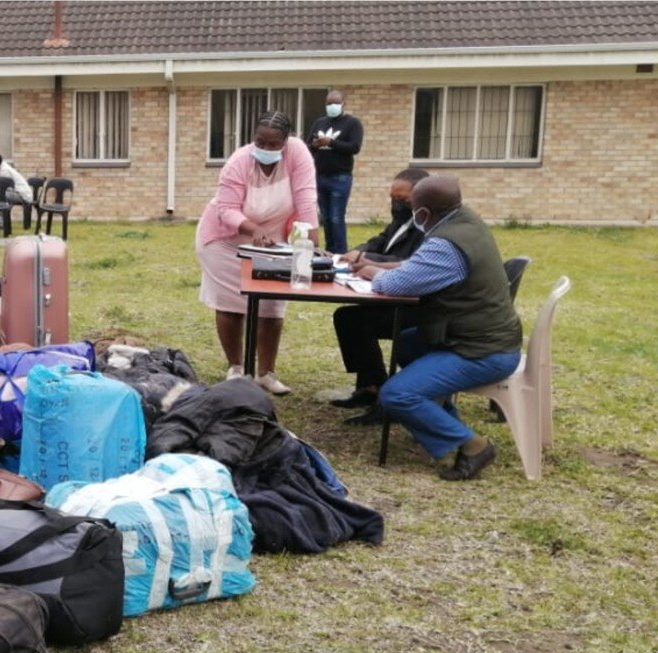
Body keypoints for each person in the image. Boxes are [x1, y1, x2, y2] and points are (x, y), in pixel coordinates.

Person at [356, 176, 522, 481]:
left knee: (395, 395)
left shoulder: (447, 243)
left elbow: (397, 284)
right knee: (406, 344)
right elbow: (419, 267)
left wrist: (373, 273)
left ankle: (473, 445)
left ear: (423, 213)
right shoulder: (466, 221)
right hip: (478, 336)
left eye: (413, 207)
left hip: (482, 350)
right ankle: (439, 417)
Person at [195, 111, 318, 395]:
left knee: (272, 306)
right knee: (230, 305)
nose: (264, 148)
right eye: (259, 142)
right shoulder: (239, 161)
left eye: (272, 144)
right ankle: (236, 368)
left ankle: (266, 373)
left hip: (271, 241)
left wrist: (311, 237)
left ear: (286, 142)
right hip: (225, 240)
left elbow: (306, 196)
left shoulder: (298, 154)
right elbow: (226, 210)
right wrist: (252, 230)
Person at [330, 167, 430, 423]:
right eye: (393, 199)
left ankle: (382, 394)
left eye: (403, 201)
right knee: (348, 316)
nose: (396, 205)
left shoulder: (426, 228)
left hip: (419, 309)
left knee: (358, 321)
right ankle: (370, 386)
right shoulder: (400, 221)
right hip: (394, 296)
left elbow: (407, 262)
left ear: (420, 199)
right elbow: (379, 241)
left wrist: (367, 259)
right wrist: (358, 251)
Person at [307, 89, 363, 254]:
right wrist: (316, 145)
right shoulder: (319, 123)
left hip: (340, 176)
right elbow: (308, 146)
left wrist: (331, 142)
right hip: (320, 175)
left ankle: (340, 252)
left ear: (343, 104)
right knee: (325, 218)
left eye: (336, 103)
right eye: (329, 103)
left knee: (337, 217)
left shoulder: (352, 123)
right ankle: (329, 250)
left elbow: (354, 147)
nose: (332, 106)